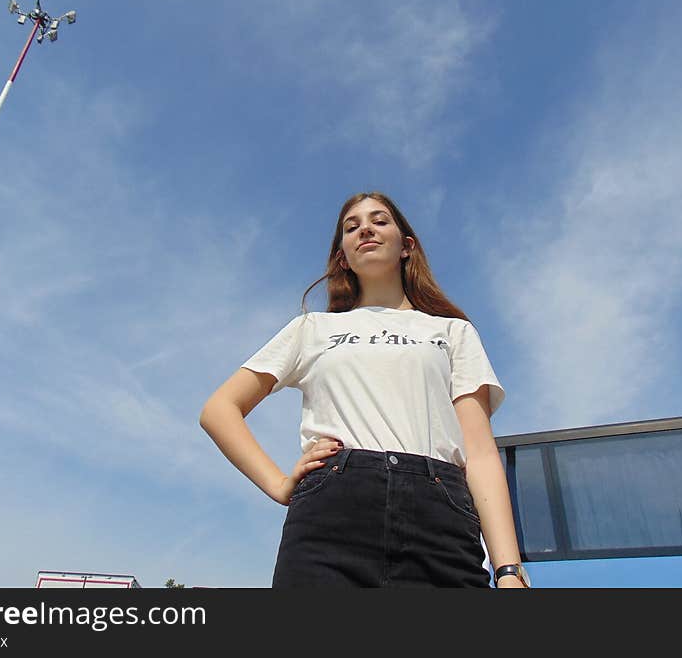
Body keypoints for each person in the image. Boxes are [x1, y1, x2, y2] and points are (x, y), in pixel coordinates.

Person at [199, 191, 530, 588]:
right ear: (343, 256)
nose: (365, 229)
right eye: (351, 227)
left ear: (406, 246)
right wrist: (279, 484)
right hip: (331, 515)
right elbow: (219, 409)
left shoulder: (453, 332)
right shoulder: (311, 329)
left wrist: (508, 570)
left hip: (440, 516)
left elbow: (479, 453)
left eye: (379, 220)